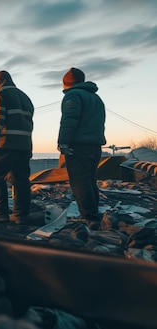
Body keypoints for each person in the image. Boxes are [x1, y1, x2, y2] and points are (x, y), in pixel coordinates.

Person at [57, 68, 106, 230]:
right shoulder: (95, 97)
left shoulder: (73, 95)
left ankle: (88, 218)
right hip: (95, 146)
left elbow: (69, 120)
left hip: (79, 146)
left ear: (66, 83)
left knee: (79, 181)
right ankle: (92, 215)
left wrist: (63, 142)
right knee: (90, 181)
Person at [0, 71, 34, 225]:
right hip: (23, 146)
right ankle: (20, 215)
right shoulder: (25, 97)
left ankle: (0, 212)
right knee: (21, 180)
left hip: (4, 145)